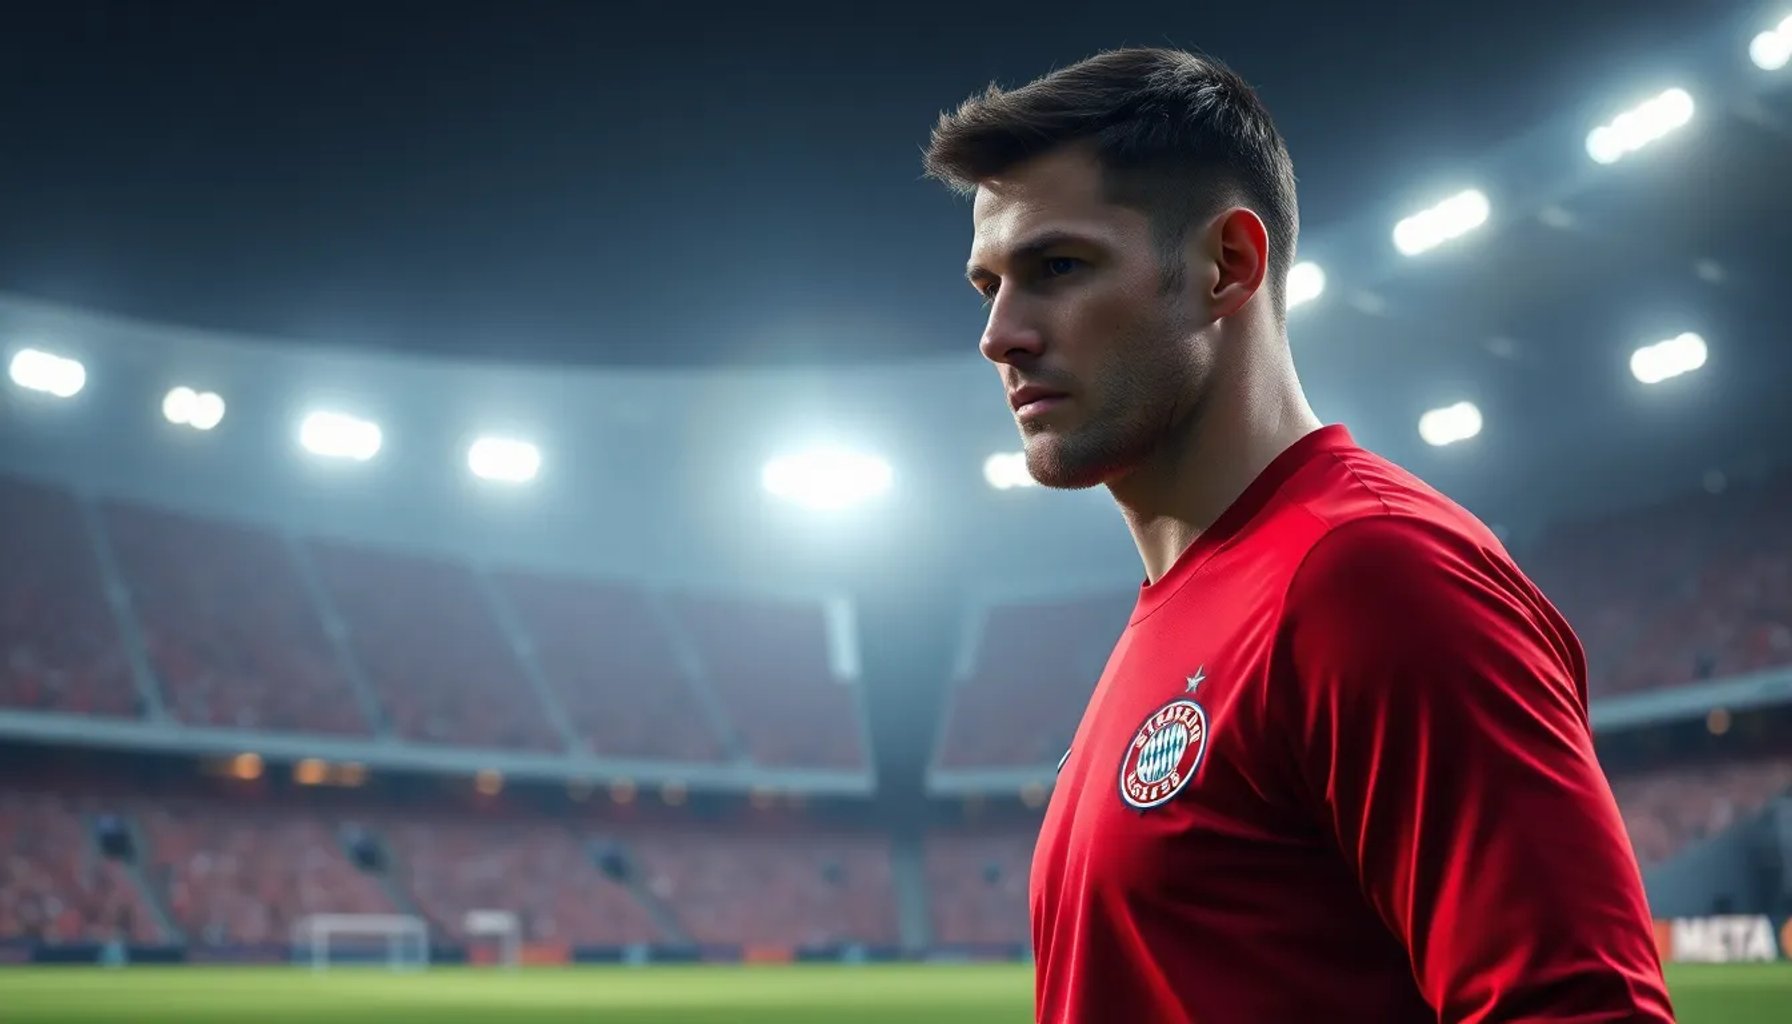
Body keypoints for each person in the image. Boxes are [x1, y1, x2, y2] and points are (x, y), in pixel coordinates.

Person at [924, 47, 1675, 1023]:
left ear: (1227, 266)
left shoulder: (1371, 573)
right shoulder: (1188, 605)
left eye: (1057, 266)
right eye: (988, 285)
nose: (1000, 332)